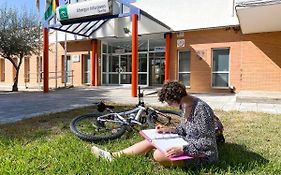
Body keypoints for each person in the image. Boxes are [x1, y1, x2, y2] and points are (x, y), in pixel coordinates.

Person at [91, 81, 219, 168]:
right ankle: (113, 156)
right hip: (187, 143)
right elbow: (187, 129)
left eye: (169, 103)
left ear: (175, 99)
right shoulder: (186, 105)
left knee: (158, 154)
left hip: (202, 155)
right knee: (153, 140)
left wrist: (182, 149)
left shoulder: (201, 110)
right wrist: (170, 129)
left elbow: (207, 143)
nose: (169, 106)